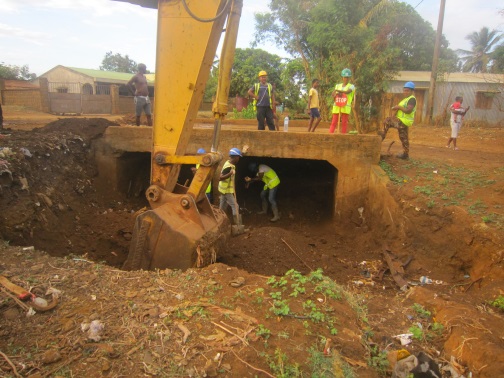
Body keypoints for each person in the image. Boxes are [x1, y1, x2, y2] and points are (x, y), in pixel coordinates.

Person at [379, 81, 417, 159]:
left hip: (404, 121)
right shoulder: (405, 100)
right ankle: (405, 155)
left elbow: (408, 110)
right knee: (403, 137)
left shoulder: (412, 99)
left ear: (412, 91)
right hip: (403, 121)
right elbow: (399, 109)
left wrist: (398, 107)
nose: (405, 92)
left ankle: (379, 140)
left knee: (387, 121)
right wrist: (395, 109)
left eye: (407, 90)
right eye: (404, 90)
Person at [218, 148, 242, 224]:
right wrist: (230, 173)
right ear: (235, 157)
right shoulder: (229, 167)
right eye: (238, 157)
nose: (239, 159)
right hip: (226, 190)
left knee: (222, 208)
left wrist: (243, 152)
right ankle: (237, 225)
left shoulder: (229, 163)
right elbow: (220, 178)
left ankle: (220, 221)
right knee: (235, 206)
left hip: (223, 190)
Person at [329, 68, 355, 134]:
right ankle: (329, 135)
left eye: (347, 77)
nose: (346, 79)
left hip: (346, 107)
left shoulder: (352, 86)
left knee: (344, 123)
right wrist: (334, 96)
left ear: (349, 78)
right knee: (334, 122)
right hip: (337, 106)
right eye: (344, 77)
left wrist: (337, 91)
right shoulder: (337, 86)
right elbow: (334, 97)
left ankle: (343, 137)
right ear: (342, 78)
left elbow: (347, 92)